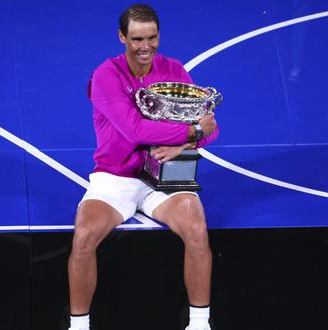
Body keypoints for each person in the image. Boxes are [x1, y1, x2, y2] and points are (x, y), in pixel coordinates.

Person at [67, 4, 219, 330]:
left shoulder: (174, 69)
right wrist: (191, 132)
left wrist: (184, 143)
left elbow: (211, 129)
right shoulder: (105, 76)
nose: (145, 46)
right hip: (115, 176)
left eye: (152, 37)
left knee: (196, 230)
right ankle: (78, 326)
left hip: (162, 177)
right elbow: (134, 129)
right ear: (122, 37)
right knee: (84, 235)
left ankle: (200, 324)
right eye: (137, 39)